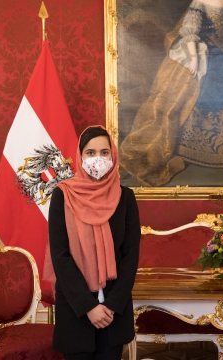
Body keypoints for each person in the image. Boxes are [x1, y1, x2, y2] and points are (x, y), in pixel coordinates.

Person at [120, 0, 223, 186]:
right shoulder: (200, 2)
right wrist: (193, 59)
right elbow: (189, 32)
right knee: (212, 88)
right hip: (207, 51)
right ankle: (204, 149)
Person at [49, 126, 141, 359]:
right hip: (76, 310)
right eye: (90, 153)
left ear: (113, 156)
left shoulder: (126, 197)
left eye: (104, 152)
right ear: (80, 157)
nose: (97, 159)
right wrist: (89, 307)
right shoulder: (63, 195)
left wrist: (111, 306)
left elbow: (130, 255)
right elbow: (60, 256)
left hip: (113, 312)